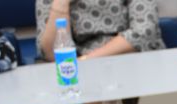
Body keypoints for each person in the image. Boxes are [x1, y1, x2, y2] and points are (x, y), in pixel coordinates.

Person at [36, 0, 165, 61]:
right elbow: (51, 53)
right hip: (78, 72)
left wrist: (87, 60)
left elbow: (144, 31)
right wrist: (61, 3)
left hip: (132, 57)